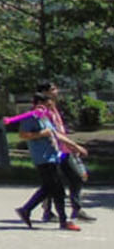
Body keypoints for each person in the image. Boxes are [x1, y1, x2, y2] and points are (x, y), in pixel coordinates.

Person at [15, 93, 79, 231]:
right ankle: (60, 220)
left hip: (53, 156)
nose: (50, 108)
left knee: (52, 188)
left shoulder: (44, 117)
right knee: (55, 188)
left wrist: (74, 146)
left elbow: (55, 133)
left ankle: (28, 210)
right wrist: (41, 134)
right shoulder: (30, 117)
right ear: (38, 103)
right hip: (43, 158)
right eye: (47, 105)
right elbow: (22, 135)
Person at [37, 82, 93, 223]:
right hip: (54, 151)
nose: (57, 91)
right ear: (45, 92)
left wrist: (70, 146)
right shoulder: (42, 110)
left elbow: (59, 129)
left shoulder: (53, 107)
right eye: (53, 89)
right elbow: (53, 133)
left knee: (77, 177)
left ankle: (76, 208)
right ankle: (48, 211)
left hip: (64, 149)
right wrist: (75, 146)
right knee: (54, 182)